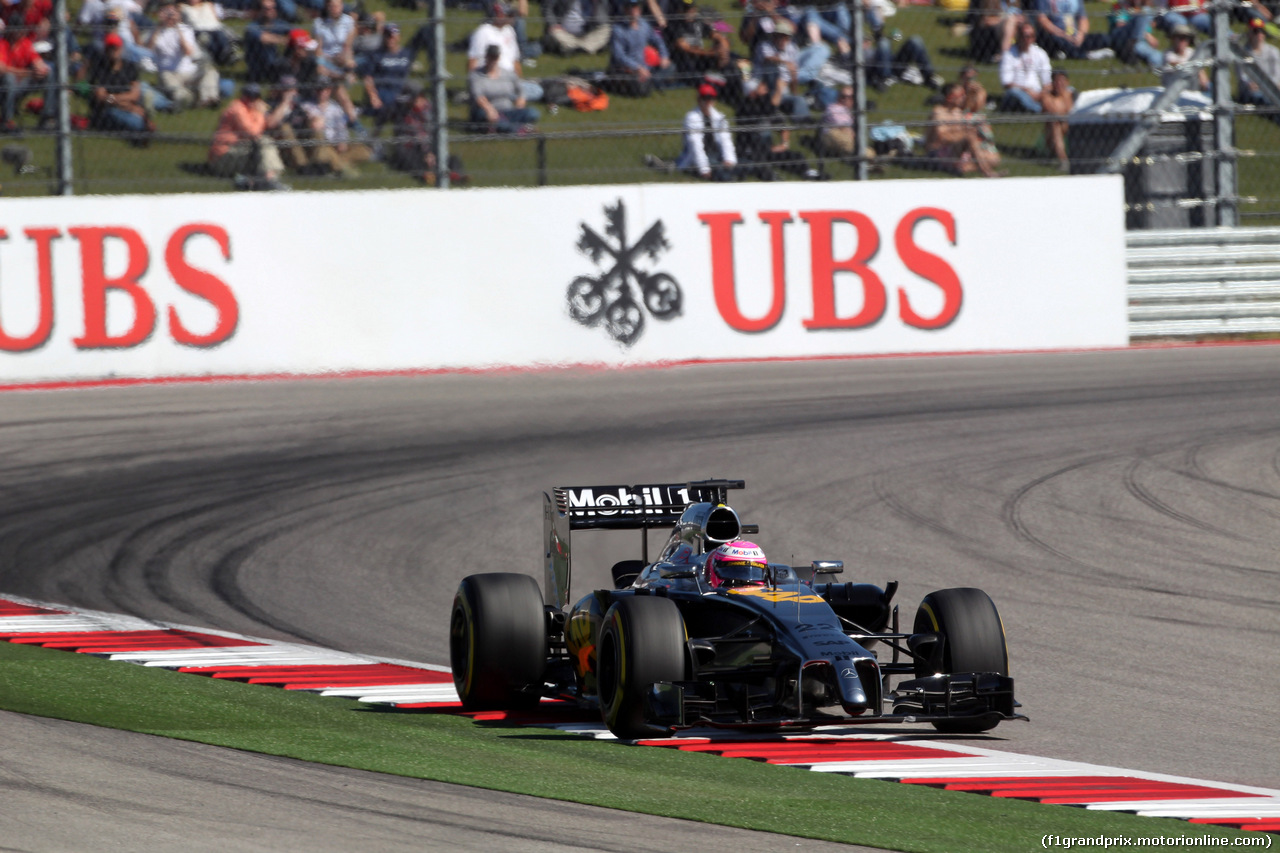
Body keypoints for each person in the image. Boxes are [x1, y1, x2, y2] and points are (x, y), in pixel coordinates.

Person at [208, 81, 290, 188]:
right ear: (243, 96)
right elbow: (253, 133)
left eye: (255, 96)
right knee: (264, 142)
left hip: (239, 151)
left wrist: (282, 104)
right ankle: (270, 180)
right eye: (249, 96)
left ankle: (259, 180)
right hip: (222, 157)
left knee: (264, 145)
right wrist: (261, 113)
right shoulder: (237, 109)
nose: (252, 99)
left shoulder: (252, 109)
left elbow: (269, 124)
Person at [147, 2, 222, 109]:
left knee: (211, 72)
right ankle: (190, 98)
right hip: (169, 73)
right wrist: (159, 26)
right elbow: (148, 50)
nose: (169, 15)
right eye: (165, 11)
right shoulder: (155, 31)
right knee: (171, 84)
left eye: (172, 12)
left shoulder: (185, 29)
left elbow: (188, 51)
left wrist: (177, 26)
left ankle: (208, 99)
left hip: (189, 72)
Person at [85, 31, 156, 140]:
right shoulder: (98, 68)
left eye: (116, 48)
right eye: (110, 48)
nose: (113, 51)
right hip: (107, 110)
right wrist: (128, 105)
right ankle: (142, 132)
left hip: (126, 106)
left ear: (121, 48)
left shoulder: (130, 67)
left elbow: (135, 95)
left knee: (138, 113)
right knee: (128, 119)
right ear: (105, 50)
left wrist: (113, 98)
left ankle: (142, 131)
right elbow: (101, 97)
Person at [468, 1, 542, 102]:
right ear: (499, 15)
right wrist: (474, 86)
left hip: (509, 79)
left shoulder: (509, 31)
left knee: (537, 89)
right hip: (491, 79)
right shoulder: (483, 32)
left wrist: (519, 83)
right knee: (535, 91)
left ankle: (501, 97)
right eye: (510, 15)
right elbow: (473, 61)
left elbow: (515, 61)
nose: (512, 18)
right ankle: (494, 97)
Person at [926, 81, 1001, 177]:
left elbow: (976, 106)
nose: (964, 97)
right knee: (969, 136)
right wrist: (963, 135)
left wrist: (977, 91)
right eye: (961, 95)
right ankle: (987, 172)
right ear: (951, 98)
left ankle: (964, 167)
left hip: (955, 149)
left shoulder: (957, 111)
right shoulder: (939, 112)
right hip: (938, 152)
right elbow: (942, 137)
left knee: (994, 158)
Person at [469, 43, 539, 132]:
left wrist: (521, 101)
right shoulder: (476, 75)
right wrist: (490, 110)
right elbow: (478, 96)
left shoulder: (507, 73)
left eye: (495, 57)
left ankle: (510, 127)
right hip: (486, 111)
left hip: (507, 110)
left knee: (532, 113)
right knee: (497, 122)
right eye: (490, 57)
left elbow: (520, 90)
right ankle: (520, 129)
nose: (492, 60)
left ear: (498, 58)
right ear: (486, 57)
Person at [609, 0, 673, 97]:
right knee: (641, 89)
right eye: (630, 8)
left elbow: (658, 40)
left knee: (671, 67)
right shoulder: (618, 30)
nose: (634, 11)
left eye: (636, 7)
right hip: (626, 69)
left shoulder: (645, 25)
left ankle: (650, 80)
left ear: (639, 10)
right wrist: (637, 68)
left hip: (645, 66)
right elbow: (619, 56)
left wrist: (664, 55)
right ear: (625, 10)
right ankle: (652, 82)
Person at [0, 21, 55, 131]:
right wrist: (29, 73)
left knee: (49, 74)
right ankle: (7, 121)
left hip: (22, 82)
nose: (18, 33)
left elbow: (37, 61)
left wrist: (40, 69)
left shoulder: (25, 43)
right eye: (15, 30)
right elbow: (2, 69)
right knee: (9, 78)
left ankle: (46, 117)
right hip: (4, 85)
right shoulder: (3, 43)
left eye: (20, 30)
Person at [360, 23, 412, 130]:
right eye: (387, 36)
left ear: (398, 37)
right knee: (391, 106)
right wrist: (373, 96)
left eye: (392, 36)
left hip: (400, 90)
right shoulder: (376, 55)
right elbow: (368, 78)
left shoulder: (406, 54)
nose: (390, 39)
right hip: (383, 92)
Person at [665, 0, 732, 80]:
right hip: (684, 60)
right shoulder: (674, 25)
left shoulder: (698, 22)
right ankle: (709, 78)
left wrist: (723, 45)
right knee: (687, 59)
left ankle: (728, 77)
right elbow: (685, 48)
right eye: (685, 10)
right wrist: (712, 53)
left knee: (729, 56)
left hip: (701, 56)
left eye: (691, 9)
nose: (689, 12)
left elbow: (715, 34)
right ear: (679, 11)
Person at [1032, 0, 1113, 60]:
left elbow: (1083, 19)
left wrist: (1081, 34)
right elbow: (1042, 20)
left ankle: (1066, 52)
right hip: (1054, 34)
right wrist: (1063, 35)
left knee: (1104, 38)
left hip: (1073, 34)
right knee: (1053, 40)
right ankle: (1087, 55)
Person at [998, 22, 1051, 112]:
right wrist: (1027, 91)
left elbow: (1048, 82)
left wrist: (1042, 94)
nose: (1027, 39)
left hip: (1037, 92)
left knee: (1067, 89)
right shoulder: (1009, 55)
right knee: (1015, 94)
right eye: (1024, 35)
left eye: (1030, 36)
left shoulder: (1040, 53)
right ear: (1018, 36)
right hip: (1018, 91)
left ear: (1034, 38)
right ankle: (1040, 109)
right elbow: (1007, 83)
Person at [1238, 17, 1280, 118]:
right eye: (1256, 31)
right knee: (1264, 98)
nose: (1260, 35)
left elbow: (1277, 74)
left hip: (1271, 86)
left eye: (1262, 31)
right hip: (1252, 91)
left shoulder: (1273, 51)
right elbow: (1243, 77)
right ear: (1249, 34)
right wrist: (1254, 85)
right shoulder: (1242, 53)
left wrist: (1269, 85)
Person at [243, 0, 291, 83]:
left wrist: (293, 39)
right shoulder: (252, 27)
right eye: (266, 8)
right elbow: (264, 38)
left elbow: (297, 32)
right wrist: (284, 40)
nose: (271, 11)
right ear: (259, 10)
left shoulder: (279, 24)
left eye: (273, 8)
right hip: (258, 68)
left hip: (276, 64)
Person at [541, 0, 610, 56]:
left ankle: (574, 48)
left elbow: (603, 20)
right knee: (554, 32)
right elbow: (547, 9)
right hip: (564, 32)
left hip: (587, 35)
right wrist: (553, 24)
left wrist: (597, 4)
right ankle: (585, 48)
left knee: (606, 29)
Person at [1040, 68, 1072, 171]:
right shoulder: (1047, 96)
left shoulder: (1070, 95)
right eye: (1057, 81)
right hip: (1052, 134)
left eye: (1062, 81)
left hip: (1069, 128)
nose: (1059, 84)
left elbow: (1071, 112)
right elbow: (1052, 111)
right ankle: (1063, 161)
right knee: (1055, 124)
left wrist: (1064, 95)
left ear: (1067, 82)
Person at [1161, 24, 1207, 91]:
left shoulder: (1191, 52)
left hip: (1193, 87)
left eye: (1185, 38)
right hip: (1173, 89)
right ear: (1173, 39)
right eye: (1179, 38)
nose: (1182, 41)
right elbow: (1175, 64)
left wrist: (1204, 82)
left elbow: (1201, 71)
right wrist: (1194, 65)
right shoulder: (1168, 54)